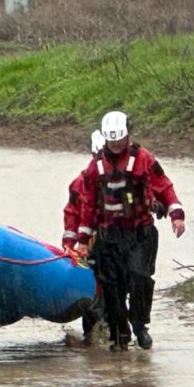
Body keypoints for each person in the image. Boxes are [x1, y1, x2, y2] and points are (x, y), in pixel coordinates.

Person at [74, 111, 185, 351]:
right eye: (111, 141)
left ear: (127, 136)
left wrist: (176, 215)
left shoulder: (143, 159)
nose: (116, 146)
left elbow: (164, 186)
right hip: (109, 237)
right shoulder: (95, 168)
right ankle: (119, 338)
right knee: (111, 289)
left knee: (139, 278)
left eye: (119, 140)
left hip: (139, 234)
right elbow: (88, 206)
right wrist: (82, 241)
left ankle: (140, 325)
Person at [62, 129, 107, 344]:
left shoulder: (126, 177)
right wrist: (70, 246)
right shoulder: (79, 184)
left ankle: (114, 331)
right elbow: (72, 215)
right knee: (93, 287)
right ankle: (93, 334)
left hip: (115, 241)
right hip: (89, 244)